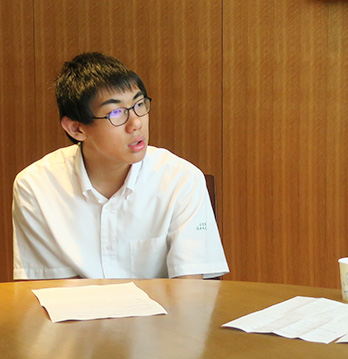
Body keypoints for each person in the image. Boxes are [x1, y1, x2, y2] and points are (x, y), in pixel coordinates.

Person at [13, 52, 228, 280]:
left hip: (164, 306)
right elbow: (50, 290)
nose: (136, 123)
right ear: (76, 128)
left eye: (139, 105)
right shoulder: (36, 187)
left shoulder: (181, 179)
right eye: (116, 113)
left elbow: (190, 291)